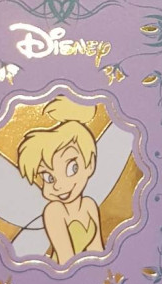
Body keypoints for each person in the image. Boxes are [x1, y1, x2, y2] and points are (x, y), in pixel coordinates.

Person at [16, 99, 104, 265]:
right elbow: (65, 261)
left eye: (72, 168)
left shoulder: (89, 206)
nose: (58, 185)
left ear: (90, 164)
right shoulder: (54, 211)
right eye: (48, 178)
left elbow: (98, 251)